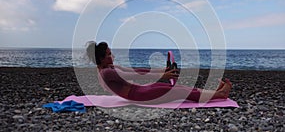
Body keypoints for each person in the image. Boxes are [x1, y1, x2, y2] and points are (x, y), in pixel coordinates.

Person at [86, 41, 232, 104]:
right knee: (181, 92)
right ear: (101, 58)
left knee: (181, 88)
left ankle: (214, 92)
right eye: (109, 54)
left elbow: (136, 70)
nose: (113, 56)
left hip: (140, 90)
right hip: (138, 95)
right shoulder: (106, 74)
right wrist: (162, 76)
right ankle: (220, 94)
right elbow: (135, 76)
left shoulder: (109, 68)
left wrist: (162, 70)